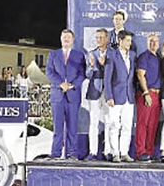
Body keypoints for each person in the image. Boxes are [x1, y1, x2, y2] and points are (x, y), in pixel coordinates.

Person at [46, 29, 86, 160]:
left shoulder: (79, 55)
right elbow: (50, 72)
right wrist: (60, 84)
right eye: (64, 37)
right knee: (57, 127)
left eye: (69, 37)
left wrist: (71, 85)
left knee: (72, 127)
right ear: (60, 39)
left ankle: (72, 153)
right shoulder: (53, 54)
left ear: (73, 40)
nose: (66, 39)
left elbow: (82, 74)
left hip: (73, 95)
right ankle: (56, 153)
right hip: (57, 96)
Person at [104, 30, 136, 163]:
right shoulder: (112, 55)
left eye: (130, 41)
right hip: (116, 96)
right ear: (120, 41)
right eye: (127, 40)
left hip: (129, 96)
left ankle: (124, 152)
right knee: (114, 125)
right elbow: (107, 77)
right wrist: (109, 96)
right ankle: (115, 153)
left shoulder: (133, 55)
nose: (129, 43)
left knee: (127, 126)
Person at [135, 34, 161, 162]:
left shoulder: (159, 57)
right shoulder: (144, 57)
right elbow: (140, 75)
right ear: (147, 43)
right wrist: (145, 93)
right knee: (143, 124)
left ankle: (149, 152)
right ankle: (141, 152)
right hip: (147, 94)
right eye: (151, 41)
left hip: (157, 95)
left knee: (152, 125)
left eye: (155, 41)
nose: (153, 43)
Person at [85, 28, 109, 161]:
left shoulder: (112, 53)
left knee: (109, 122)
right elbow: (87, 75)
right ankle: (92, 152)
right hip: (94, 91)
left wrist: (104, 65)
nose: (99, 40)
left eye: (101, 37)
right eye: (97, 37)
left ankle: (108, 151)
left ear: (107, 39)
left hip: (109, 91)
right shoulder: (91, 54)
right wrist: (91, 66)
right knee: (93, 123)